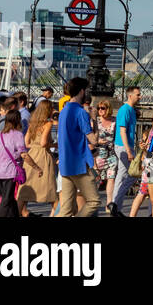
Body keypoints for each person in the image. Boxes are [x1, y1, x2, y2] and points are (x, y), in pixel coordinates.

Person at [55, 78, 100, 217]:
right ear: (81, 91)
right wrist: (94, 119)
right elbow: (94, 140)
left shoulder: (64, 111)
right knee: (94, 201)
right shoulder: (80, 112)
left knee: (66, 209)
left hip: (65, 164)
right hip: (79, 164)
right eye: (86, 90)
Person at [15, 99, 57, 216]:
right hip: (43, 155)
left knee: (24, 194)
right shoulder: (48, 124)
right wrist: (54, 144)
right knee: (50, 190)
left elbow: (26, 142)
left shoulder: (32, 123)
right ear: (47, 110)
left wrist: (34, 145)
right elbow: (44, 143)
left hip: (31, 154)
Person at [108, 86, 141, 216]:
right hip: (123, 146)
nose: (140, 97)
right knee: (132, 176)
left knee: (122, 175)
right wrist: (128, 150)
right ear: (130, 95)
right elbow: (122, 131)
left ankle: (115, 207)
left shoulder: (131, 110)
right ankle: (115, 204)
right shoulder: (124, 110)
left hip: (127, 146)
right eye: (138, 95)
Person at [0, 109, 26, 217]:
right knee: (6, 200)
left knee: (9, 199)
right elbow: (23, 153)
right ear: (17, 120)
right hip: (10, 171)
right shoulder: (18, 134)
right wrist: (36, 167)